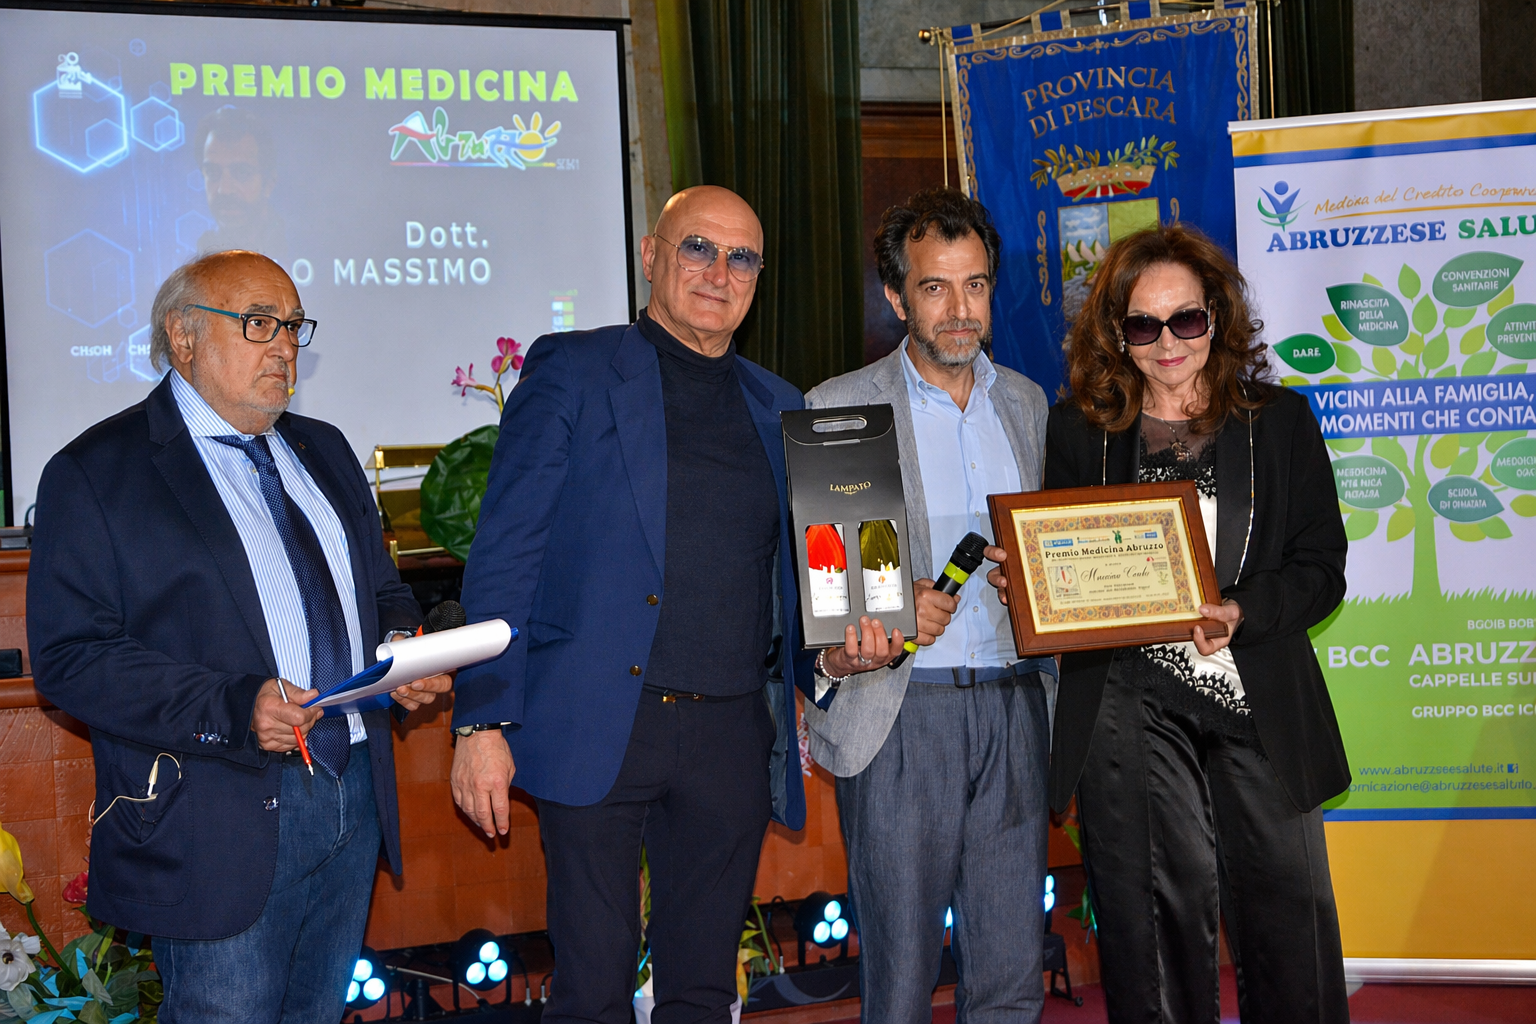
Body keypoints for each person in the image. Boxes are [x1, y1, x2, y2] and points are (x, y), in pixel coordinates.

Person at [28, 250, 453, 1024]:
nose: (284, 345)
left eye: (293, 326)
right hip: (215, 811)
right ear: (183, 336)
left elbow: (381, 592)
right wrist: (234, 705)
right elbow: (70, 658)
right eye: (259, 323)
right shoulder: (99, 471)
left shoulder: (324, 449)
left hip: (352, 787)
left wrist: (402, 650)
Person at [449, 186, 830, 1024]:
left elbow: (796, 579)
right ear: (652, 256)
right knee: (592, 988)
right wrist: (481, 722)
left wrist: (834, 659)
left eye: (742, 258)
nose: (719, 272)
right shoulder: (574, 370)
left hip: (729, 733)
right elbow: (506, 554)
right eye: (698, 248)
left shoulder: (781, 404)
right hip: (598, 723)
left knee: (702, 990)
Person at [993, 223, 1351, 1023]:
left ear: (1215, 317)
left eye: (1185, 319)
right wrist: (1035, 584)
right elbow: (1064, 561)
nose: (1167, 343)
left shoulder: (1279, 422)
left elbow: (1320, 567)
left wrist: (1244, 611)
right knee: (1153, 940)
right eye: (1144, 325)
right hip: (1127, 708)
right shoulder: (1080, 432)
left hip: (1258, 703)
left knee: (1290, 931)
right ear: (1117, 333)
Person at [801, 186, 1056, 1023]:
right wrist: (884, 608)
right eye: (936, 287)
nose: (960, 309)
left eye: (975, 285)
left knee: (1012, 974)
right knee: (903, 981)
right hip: (902, 714)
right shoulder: (839, 407)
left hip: (1017, 708)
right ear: (896, 295)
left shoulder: (1026, 403)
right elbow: (821, 585)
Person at [195, 107, 287, 260]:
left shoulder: (299, 245)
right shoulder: (197, 257)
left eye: (242, 173)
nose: (224, 189)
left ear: (269, 183)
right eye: (212, 172)